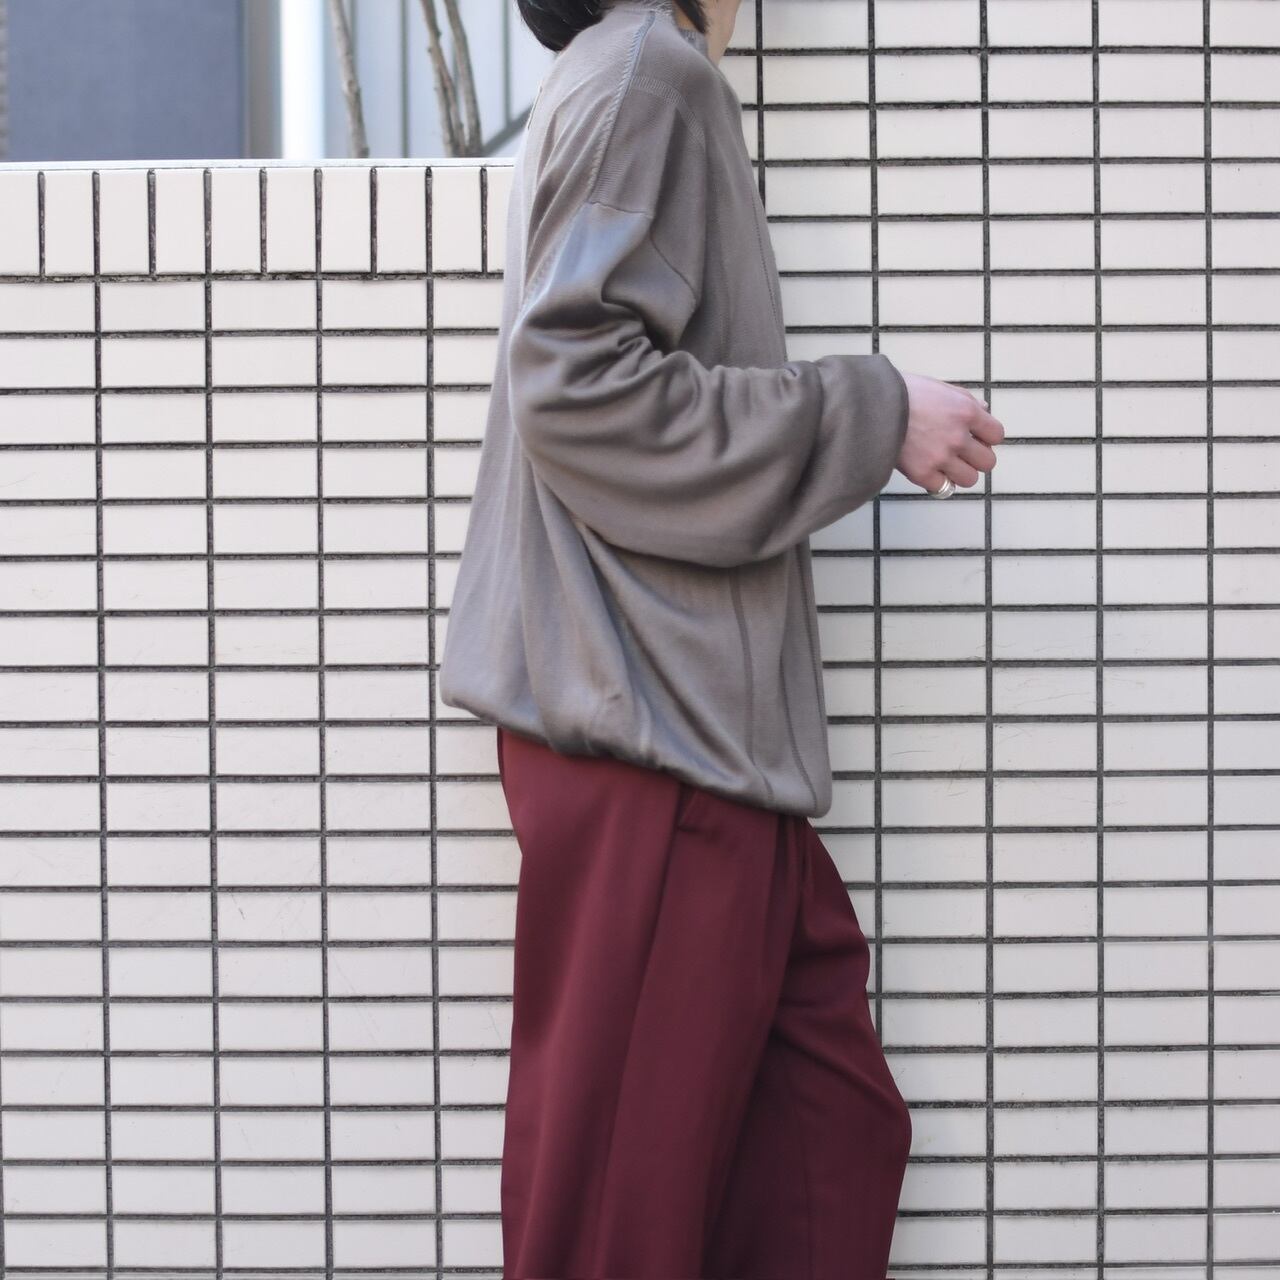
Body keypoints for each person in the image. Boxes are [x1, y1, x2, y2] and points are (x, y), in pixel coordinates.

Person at [438, 0, 1004, 1275]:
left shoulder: (632, 73)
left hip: (698, 741)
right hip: (655, 736)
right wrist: (868, 414)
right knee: (616, 1220)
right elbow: (574, 385)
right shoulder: (646, 71)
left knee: (819, 1138)